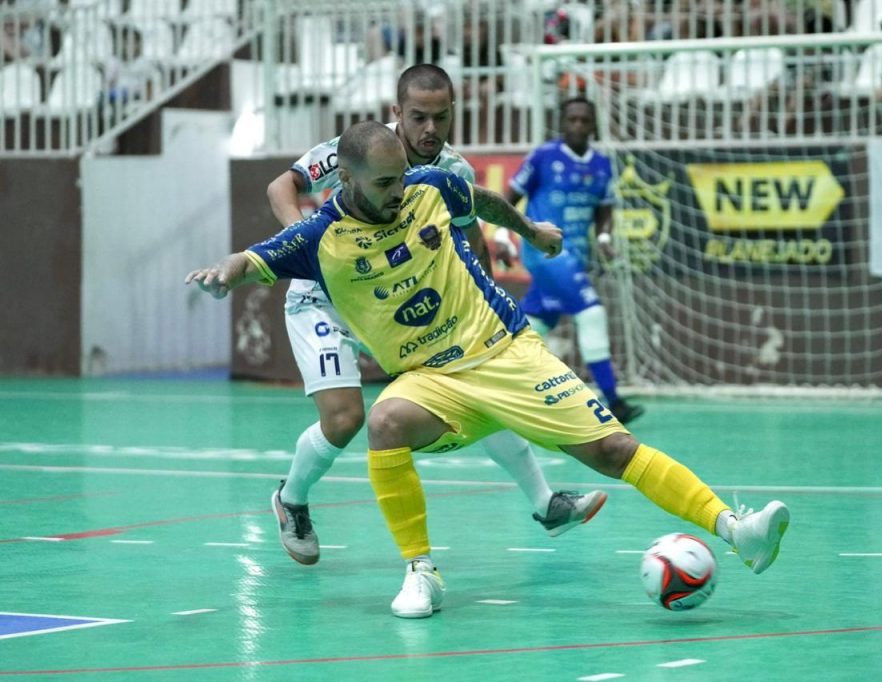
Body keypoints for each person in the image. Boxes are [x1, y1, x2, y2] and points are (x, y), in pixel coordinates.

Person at [186, 120, 790, 619]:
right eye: (385, 182)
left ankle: (737, 531)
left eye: (402, 176)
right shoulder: (318, 237)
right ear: (346, 179)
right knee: (384, 422)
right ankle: (421, 571)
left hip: (504, 351)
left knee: (613, 450)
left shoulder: (429, 186)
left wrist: (532, 231)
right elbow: (250, 260)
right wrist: (222, 275)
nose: (399, 190)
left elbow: (484, 201)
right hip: (430, 380)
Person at [263, 64, 606, 567]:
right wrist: (308, 246)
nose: (430, 129)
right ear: (398, 113)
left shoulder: (454, 171)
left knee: (475, 379)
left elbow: (471, 240)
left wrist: (487, 307)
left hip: (391, 308)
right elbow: (281, 187)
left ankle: (545, 503)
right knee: (344, 419)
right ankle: (291, 500)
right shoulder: (359, 148)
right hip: (323, 301)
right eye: (418, 117)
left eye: (440, 117)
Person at [504, 96, 644, 425]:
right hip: (544, 251)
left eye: (584, 120)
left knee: (535, 323)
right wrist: (501, 235)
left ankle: (497, 385)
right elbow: (509, 197)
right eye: (572, 119)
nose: (578, 125)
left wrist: (604, 238)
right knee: (591, 313)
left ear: (593, 125)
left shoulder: (602, 164)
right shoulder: (543, 156)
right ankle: (614, 401)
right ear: (562, 123)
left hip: (576, 255)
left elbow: (605, 209)